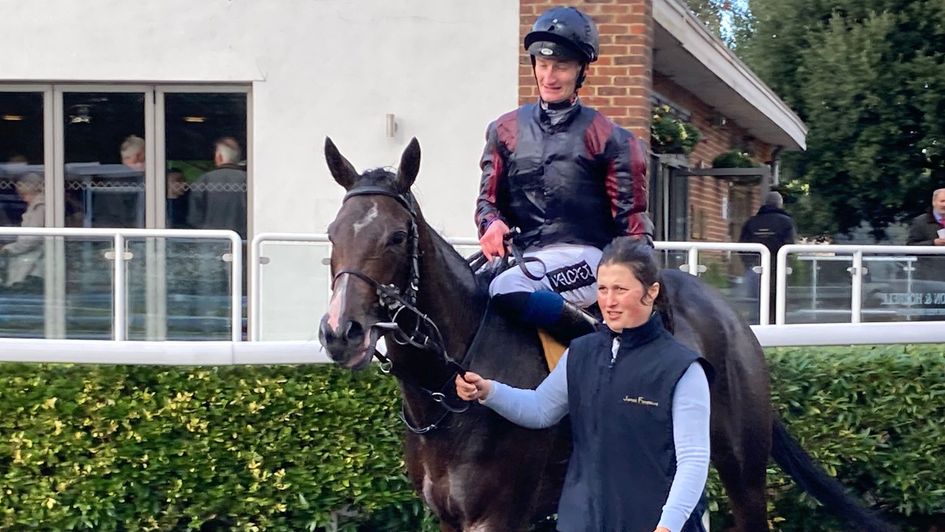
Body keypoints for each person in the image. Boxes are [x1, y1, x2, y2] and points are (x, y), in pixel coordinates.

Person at [456, 237, 712, 532]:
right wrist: (489, 391)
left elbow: (693, 460)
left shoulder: (683, 368)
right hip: (582, 521)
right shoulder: (580, 352)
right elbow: (540, 409)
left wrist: (668, 526)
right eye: (602, 289)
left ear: (650, 292)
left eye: (620, 289)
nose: (609, 301)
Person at [475, 6, 653, 342]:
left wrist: (634, 285)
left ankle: (601, 348)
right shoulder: (504, 130)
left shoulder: (612, 139)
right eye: (543, 65)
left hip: (590, 258)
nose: (549, 76)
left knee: (506, 290)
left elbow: (632, 228)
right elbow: (487, 202)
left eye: (561, 66)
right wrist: (491, 223)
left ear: (581, 70)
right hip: (526, 255)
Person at [738, 191, 796, 319]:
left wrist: (749, 264)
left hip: (755, 268)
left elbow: (741, 246)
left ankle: (756, 329)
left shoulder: (751, 222)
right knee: (777, 302)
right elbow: (790, 247)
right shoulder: (787, 222)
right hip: (777, 270)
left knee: (755, 302)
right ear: (780, 204)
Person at [187, 137, 247, 239]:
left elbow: (194, 218)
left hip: (210, 242)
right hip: (243, 241)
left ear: (219, 157)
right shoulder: (248, 180)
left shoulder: (204, 180)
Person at [0, 173, 46, 291]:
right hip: (31, 264)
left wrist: (7, 248)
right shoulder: (36, 206)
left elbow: (30, 240)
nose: (21, 197)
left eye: (23, 193)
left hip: (32, 268)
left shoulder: (39, 207)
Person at [906, 187, 945, 284]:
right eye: (942, 201)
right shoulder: (920, 222)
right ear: (934, 202)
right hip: (928, 279)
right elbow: (910, 248)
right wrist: (933, 244)